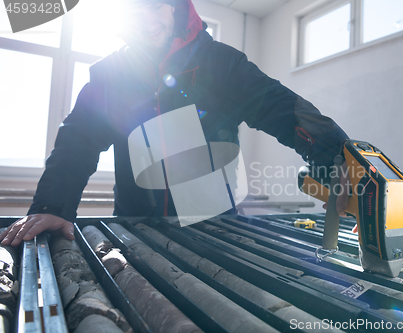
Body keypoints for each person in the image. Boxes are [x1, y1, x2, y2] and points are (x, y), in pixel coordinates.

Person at [0, 0, 349, 247]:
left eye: (155, 5)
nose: (145, 19)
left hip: (218, 230)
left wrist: (339, 159)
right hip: (134, 227)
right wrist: (52, 207)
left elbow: (283, 109)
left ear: (177, 7)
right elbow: (77, 142)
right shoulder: (109, 75)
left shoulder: (222, 64)